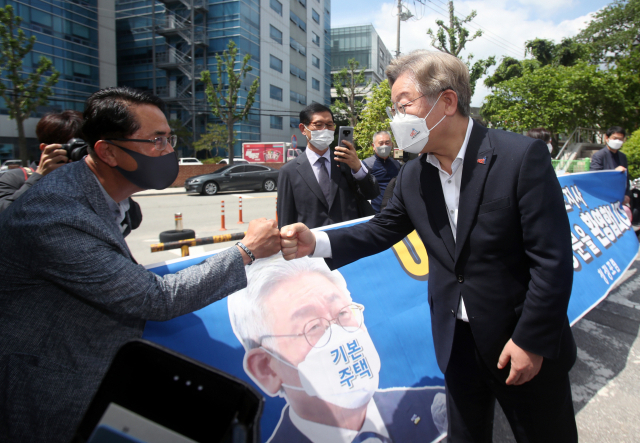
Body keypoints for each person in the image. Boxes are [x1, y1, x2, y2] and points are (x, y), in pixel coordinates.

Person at [280, 50, 578, 443]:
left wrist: (531, 341)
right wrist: (314, 241)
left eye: (404, 105)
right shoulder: (413, 176)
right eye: (394, 108)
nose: (396, 118)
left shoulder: (520, 158)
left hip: (520, 343)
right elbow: (380, 230)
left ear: (447, 102)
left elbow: (552, 261)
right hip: (457, 343)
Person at [0, 86, 281, 443]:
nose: (168, 150)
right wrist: (247, 251)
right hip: (50, 392)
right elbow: (155, 299)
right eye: (156, 140)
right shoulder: (55, 213)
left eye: (169, 138)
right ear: (108, 151)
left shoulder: (107, 198)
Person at [228, 255, 447, 443]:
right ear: (266, 369)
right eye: (312, 327)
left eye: (342, 313)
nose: (338, 335)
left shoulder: (437, 411)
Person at [276, 103, 379, 229]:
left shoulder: (347, 163)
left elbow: (372, 194)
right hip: (311, 243)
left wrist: (357, 167)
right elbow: (285, 218)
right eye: (318, 125)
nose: (325, 129)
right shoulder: (289, 172)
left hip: (348, 239)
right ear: (303, 129)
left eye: (329, 125)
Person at [363, 131, 402, 213]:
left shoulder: (397, 164)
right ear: (373, 146)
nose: (384, 146)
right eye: (381, 143)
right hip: (376, 211)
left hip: (396, 209)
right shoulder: (367, 164)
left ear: (391, 145)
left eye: (387, 142)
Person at [590, 126, 630, 205]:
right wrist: (614, 173)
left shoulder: (622, 157)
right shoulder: (599, 156)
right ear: (607, 138)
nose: (618, 141)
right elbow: (594, 178)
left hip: (620, 199)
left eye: (620, 139)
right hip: (605, 199)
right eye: (615, 138)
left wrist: (627, 195)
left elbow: (626, 179)